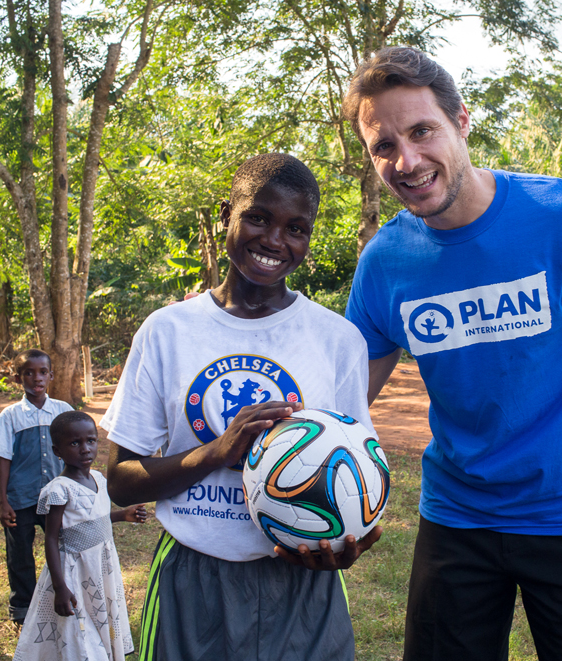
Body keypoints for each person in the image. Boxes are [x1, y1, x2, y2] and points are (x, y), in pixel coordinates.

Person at [340, 46, 562, 659]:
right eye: (384, 146)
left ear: (461, 121)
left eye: (422, 130)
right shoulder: (385, 262)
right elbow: (346, 406)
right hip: (455, 521)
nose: (407, 160)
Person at [101, 154, 380, 661]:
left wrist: (346, 540)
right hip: (194, 576)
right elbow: (119, 481)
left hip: (302, 585)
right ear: (226, 214)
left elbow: (357, 475)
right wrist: (215, 453)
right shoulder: (168, 331)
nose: (275, 240)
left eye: (296, 228)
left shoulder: (337, 340)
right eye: (258, 218)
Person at [14, 411, 147, 660]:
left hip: (100, 568)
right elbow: (52, 539)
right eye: (75, 443)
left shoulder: (98, 479)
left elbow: (93, 520)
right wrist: (60, 587)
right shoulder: (59, 490)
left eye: (91, 440)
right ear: (57, 451)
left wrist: (122, 515)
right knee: (77, 628)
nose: (85, 449)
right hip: (74, 572)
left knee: (100, 619)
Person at [0, 349, 73, 626]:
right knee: (20, 555)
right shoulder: (10, 416)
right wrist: (3, 502)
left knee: (63, 548)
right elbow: (4, 460)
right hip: (20, 499)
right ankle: (22, 611)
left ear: (51, 375)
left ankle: (66, 596)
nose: (37, 378)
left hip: (57, 498)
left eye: (43, 372)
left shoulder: (63, 411)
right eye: (29, 372)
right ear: (17, 378)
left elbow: (76, 452)